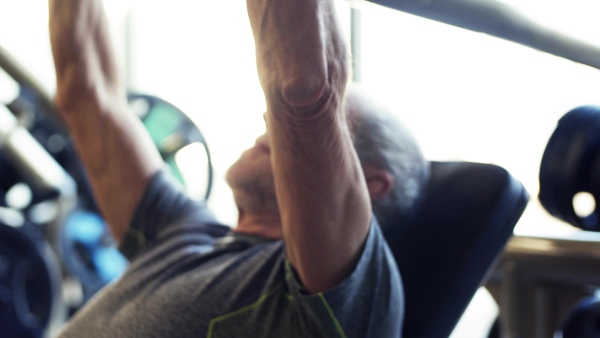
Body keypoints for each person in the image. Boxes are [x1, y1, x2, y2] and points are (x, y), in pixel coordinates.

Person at [49, 0, 428, 337]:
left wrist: (312, 106)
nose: (269, 122)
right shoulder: (181, 233)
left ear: (371, 183)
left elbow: (304, 91)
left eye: (338, 124)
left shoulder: (352, 295)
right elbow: (86, 91)